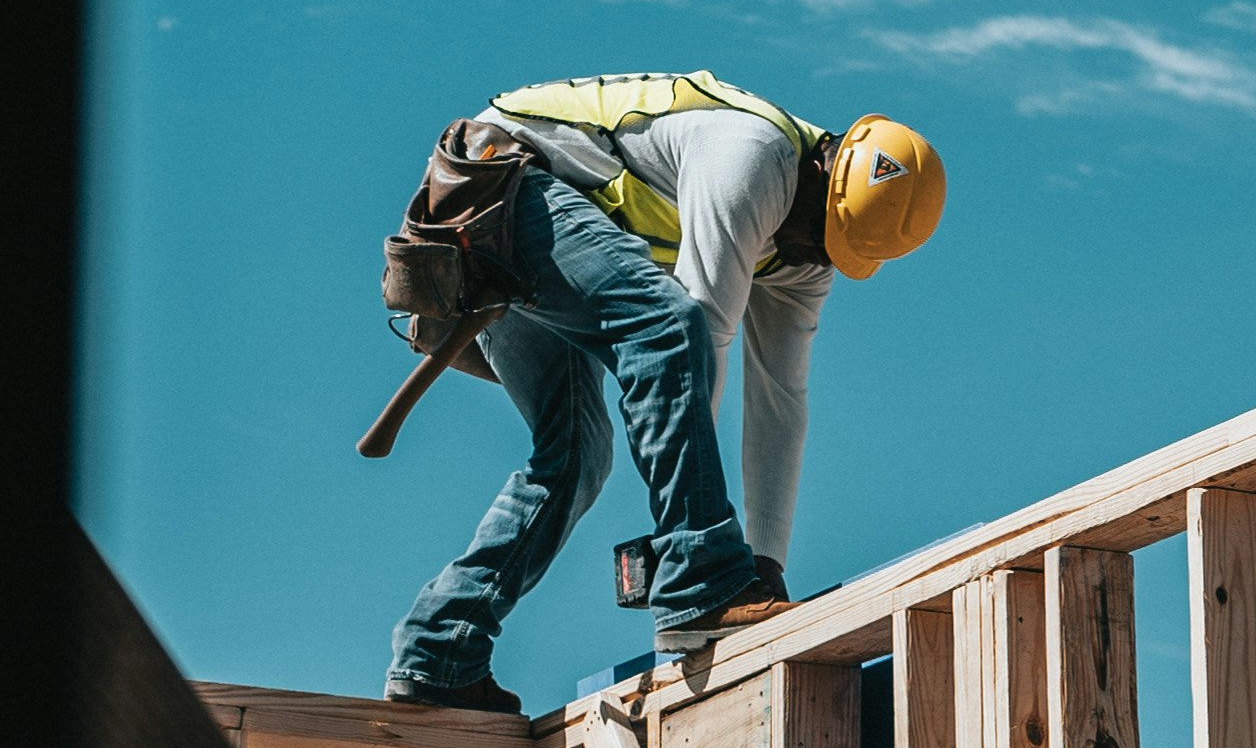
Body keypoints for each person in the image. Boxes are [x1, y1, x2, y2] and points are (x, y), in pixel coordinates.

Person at [384, 72, 943, 713]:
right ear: (824, 167)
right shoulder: (753, 157)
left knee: (575, 457)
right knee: (667, 324)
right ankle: (700, 576)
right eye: (815, 231)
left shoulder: (804, 254)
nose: (806, 253)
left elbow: (780, 402)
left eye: (828, 248)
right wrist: (701, 558)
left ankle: (438, 651)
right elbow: (695, 334)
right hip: (494, 189)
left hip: (526, 229)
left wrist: (766, 564)